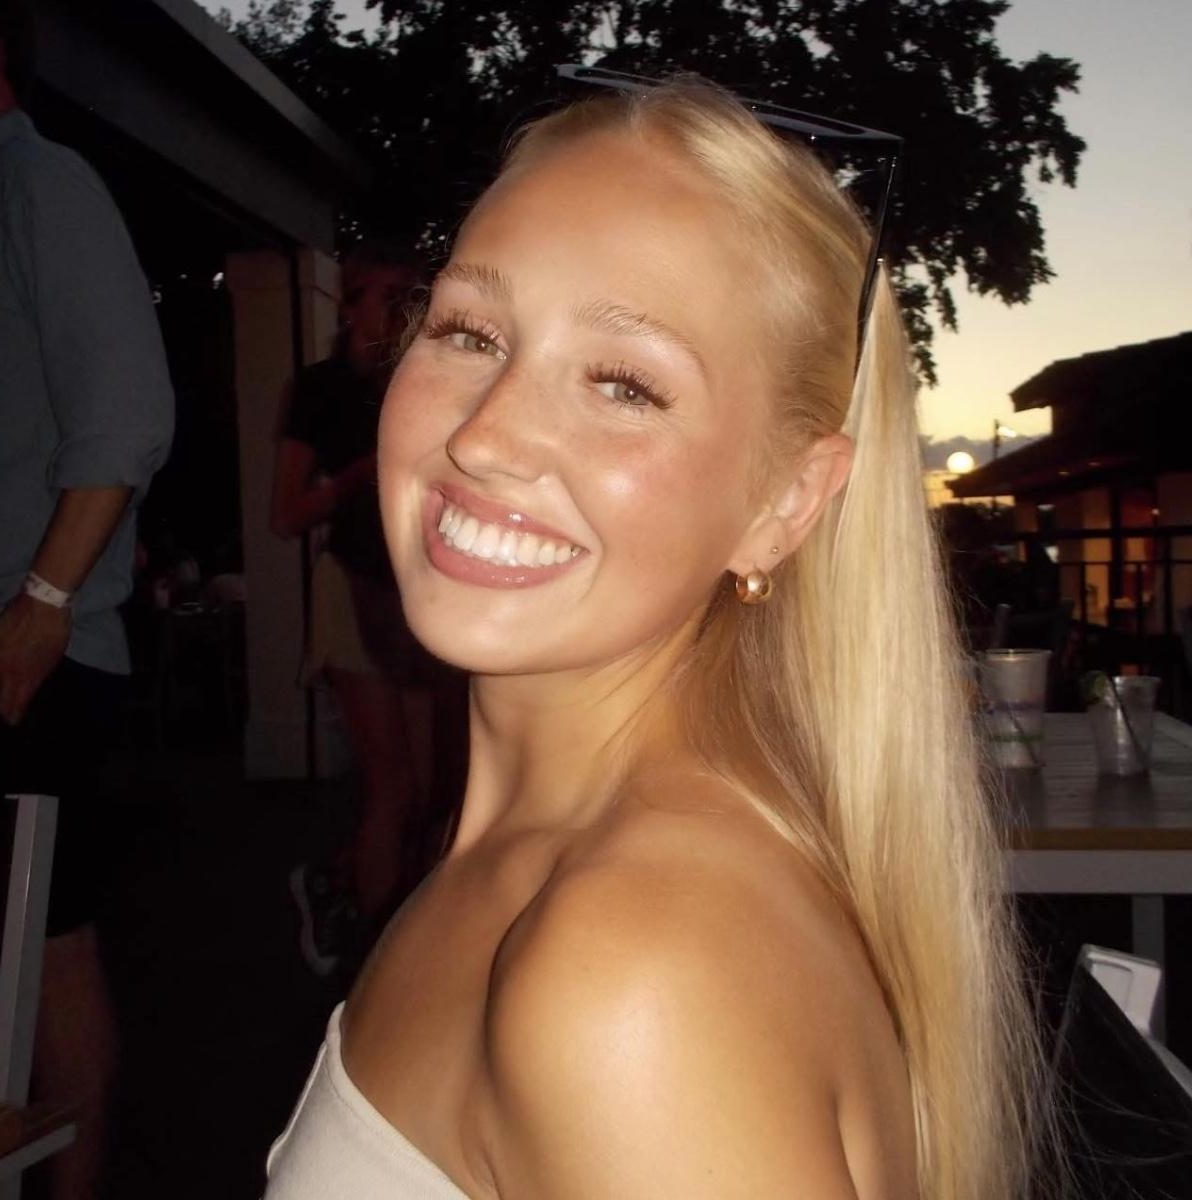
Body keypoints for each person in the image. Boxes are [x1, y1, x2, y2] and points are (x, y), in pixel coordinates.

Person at [265, 77, 1053, 1199]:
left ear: (784, 500)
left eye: (625, 385)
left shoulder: (633, 971)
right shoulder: (549, 857)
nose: (487, 436)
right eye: (469, 331)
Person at [0, 4, 174, 1196]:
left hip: (28, 649)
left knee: (44, 952)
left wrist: (45, 600)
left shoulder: (40, 185)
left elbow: (127, 413)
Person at [271, 242, 441, 973]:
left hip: (415, 593)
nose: (402, 310)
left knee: (427, 790)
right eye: (386, 295)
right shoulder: (320, 388)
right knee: (392, 786)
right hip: (350, 586)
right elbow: (285, 515)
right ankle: (376, 976)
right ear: (349, 305)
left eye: (411, 296)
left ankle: (333, 882)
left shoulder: (422, 379)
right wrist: (356, 477)